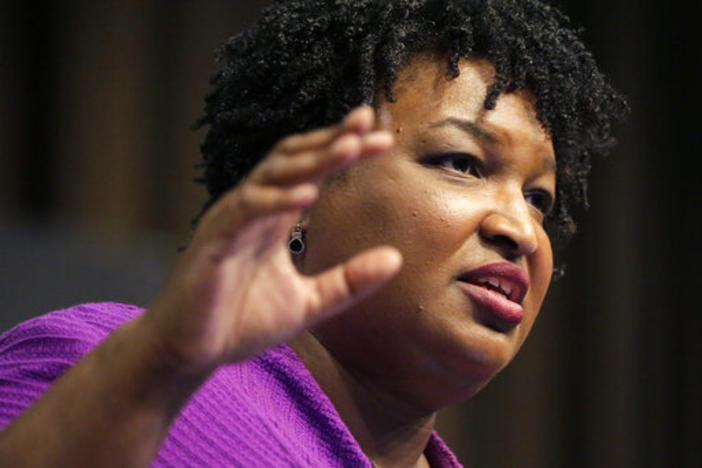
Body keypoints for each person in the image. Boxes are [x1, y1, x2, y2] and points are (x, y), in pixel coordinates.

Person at [0, 0, 627, 466]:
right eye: (461, 163)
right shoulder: (111, 366)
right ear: (301, 191)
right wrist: (161, 358)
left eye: (539, 197)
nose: (520, 226)